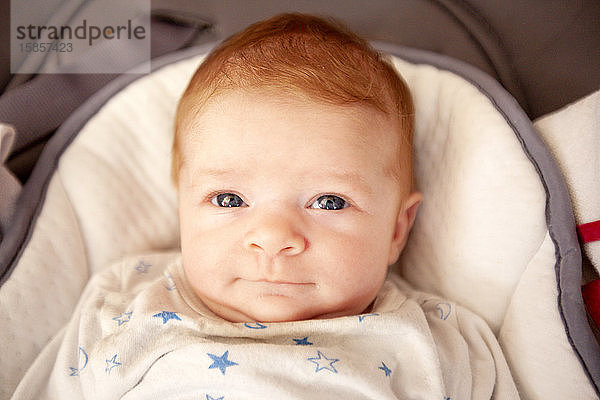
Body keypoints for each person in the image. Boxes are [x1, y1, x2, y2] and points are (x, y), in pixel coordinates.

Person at [12, 13, 519, 399]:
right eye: (229, 199)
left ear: (396, 229)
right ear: (182, 206)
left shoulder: (435, 340)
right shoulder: (128, 302)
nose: (274, 236)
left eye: (329, 201)